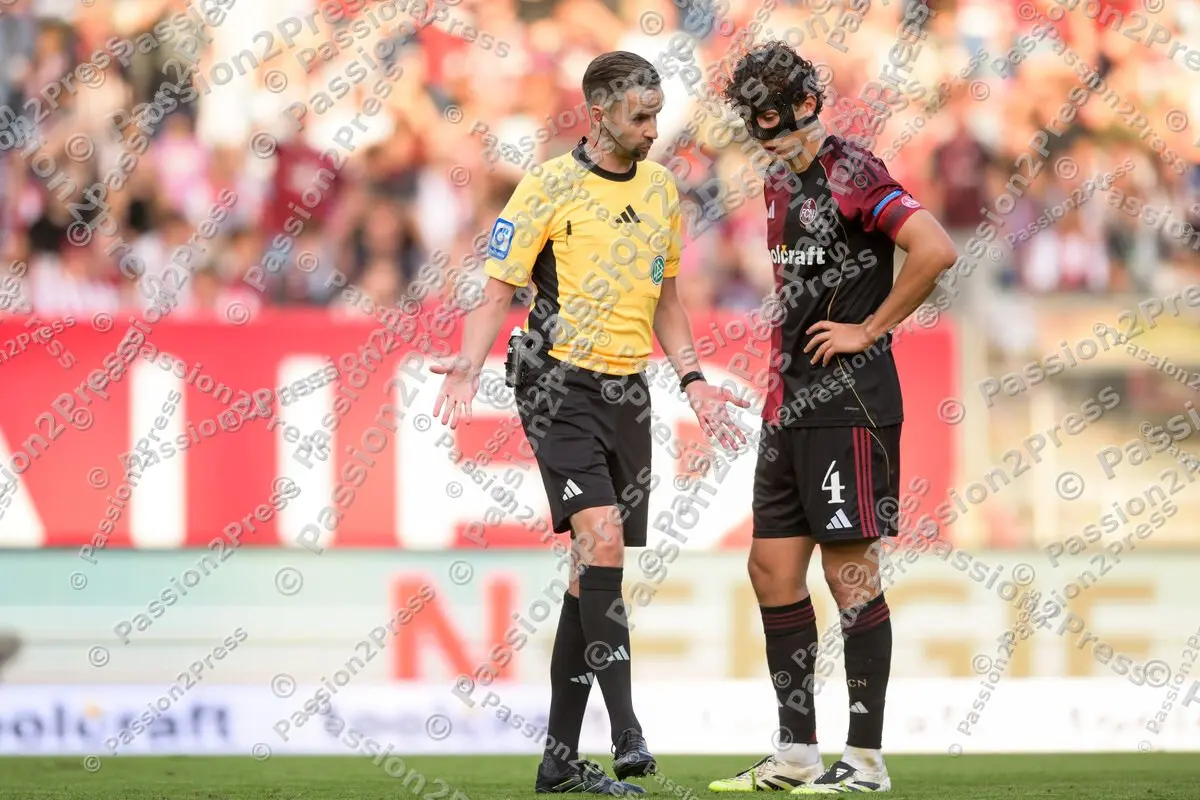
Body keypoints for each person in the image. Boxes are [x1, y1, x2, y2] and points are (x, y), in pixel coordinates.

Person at [431, 51, 749, 795]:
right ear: (600, 111)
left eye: (658, 113)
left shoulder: (664, 189)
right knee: (600, 536)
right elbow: (499, 288)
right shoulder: (546, 186)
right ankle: (628, 727)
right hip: (555, 381)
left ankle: (560, 760)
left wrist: (695, 380)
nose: (654, 128)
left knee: (592, 570)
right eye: (642, 115)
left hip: (628, 390)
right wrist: (471, 366)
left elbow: (667, 299)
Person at [707, 42, 958, 794]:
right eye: (759, 127)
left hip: (849, 403)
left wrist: (869, 326)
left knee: (850, 573)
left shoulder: (854, 171)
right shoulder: (779, 182)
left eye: (778, 123)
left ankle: (867, 762)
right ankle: (794, 754)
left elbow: (935, 248)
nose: (770, 139)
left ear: (808, 105)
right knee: (771, 570)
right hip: (789, 405)